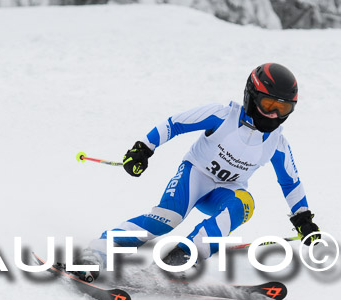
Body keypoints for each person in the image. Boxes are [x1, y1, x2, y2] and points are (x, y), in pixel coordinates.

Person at [77, 63, 321, 282]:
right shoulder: (223, 116)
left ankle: (182, 257)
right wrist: (143, 148)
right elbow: (175, 124)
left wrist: (303, 220)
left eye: (283, 108)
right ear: (251, 97)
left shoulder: (277, 143)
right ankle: (98, 250)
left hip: (226, 191)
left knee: (244, 204)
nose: (274, 115)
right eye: (268, 105)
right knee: (166, 221)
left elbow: (290, 182)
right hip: (194, 177)